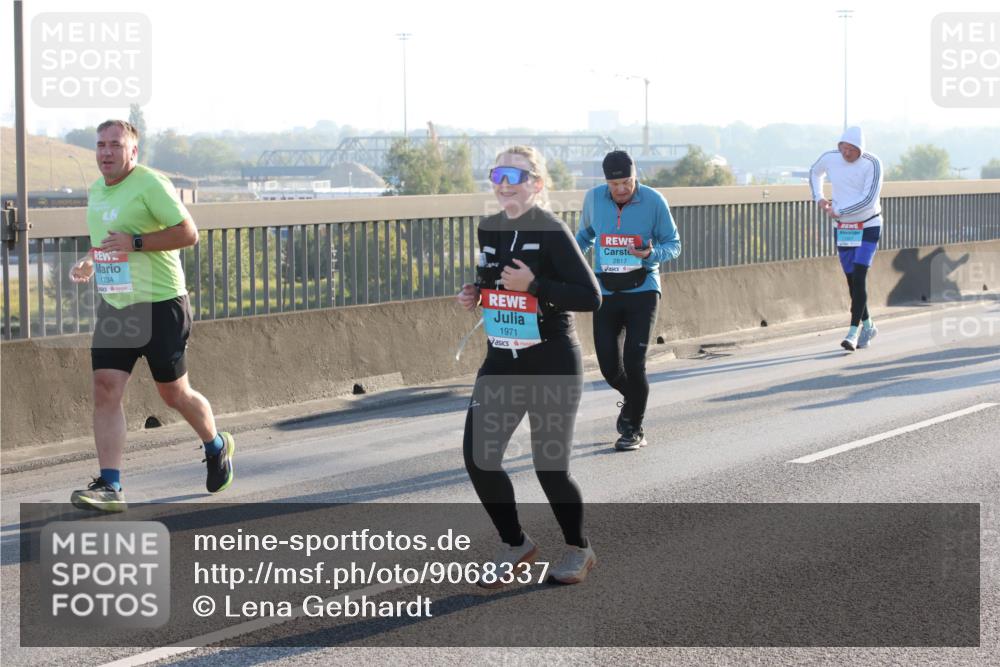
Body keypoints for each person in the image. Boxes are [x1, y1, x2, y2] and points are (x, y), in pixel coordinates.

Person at [67, 119, 234, 512]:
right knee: (106, 389)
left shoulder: (150, 184)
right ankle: (111, 486)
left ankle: (216, 444)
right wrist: (92, 260)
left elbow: (188, 233)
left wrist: (136, 243)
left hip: (161, 304)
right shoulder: (96, 191)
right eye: (101, 145)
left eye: (115, 145)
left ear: (132, 151)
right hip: (117, 306)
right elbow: (109, 240)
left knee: (173, 393)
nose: (106, 152)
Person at [457, 146, 602, 585]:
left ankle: (579, 549)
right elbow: (493, 284)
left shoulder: (552, 230)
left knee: (550, 467)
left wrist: (535, 284)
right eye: (497, 173)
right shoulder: (490, 228)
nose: (503, 183)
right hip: (502, 358)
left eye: (514, 175)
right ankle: (515, 543)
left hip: (552, 359)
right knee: (479, 457)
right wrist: (473, 294)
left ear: (536, 184)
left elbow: (590, 296)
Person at [576, 150, 681, 451]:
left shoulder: (653, 201)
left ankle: (634, 428)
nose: (622, 189)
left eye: (627, 182)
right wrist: (569, 260)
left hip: (643, 289)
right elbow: (585, 236)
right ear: (606, 182)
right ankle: (634, 401)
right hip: (605, 292)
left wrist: (651, 254)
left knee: (635, 363)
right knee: (610, 367)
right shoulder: (594, 198)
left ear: (636, 177)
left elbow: (673, 245)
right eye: (615, 184)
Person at [809, 126, 884, 351]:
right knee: (852, 280)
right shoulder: (830, 158)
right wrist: (820, 199)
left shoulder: (872, 163)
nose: (847, 153)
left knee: (860, 275)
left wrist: (839, 211)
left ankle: (852, 333)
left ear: (861, 149)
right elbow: (814, 172)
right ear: (839, 146)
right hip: (844, 228)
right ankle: (869, 325)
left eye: (853, 149)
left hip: (869, 224)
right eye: (844, 148)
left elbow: (868, 199)